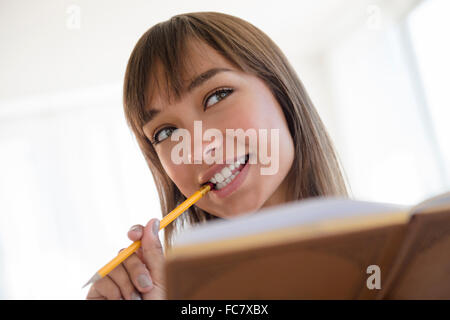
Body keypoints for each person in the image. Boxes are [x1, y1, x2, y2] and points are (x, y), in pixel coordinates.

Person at [86, 11, 349, 300]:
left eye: (217, 96)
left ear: (280, 91)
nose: (196, 149)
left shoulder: (397, 259)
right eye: (166, 132)